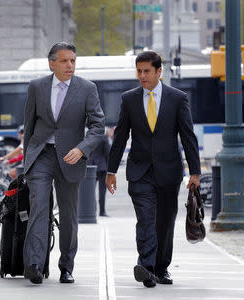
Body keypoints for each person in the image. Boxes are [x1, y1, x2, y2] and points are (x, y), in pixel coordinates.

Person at [106, 51, 201, 288]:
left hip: (169, 171)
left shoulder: (177, 98)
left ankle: (162, 268)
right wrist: (111, 170)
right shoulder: (129, 99)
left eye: (147, 71)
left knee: (165, 221)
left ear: (159, 71)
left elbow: (188, 137)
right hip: (140, 172)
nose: (142, 76)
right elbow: (120, 137)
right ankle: (146, 267)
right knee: (146, 220)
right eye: (139, 71)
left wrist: (195, 172)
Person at [23, 42, 105, 285]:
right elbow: (29, 125)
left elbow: (98, 126)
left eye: (73, 61)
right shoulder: (36, 87)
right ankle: (34, 265)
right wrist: (28, 160)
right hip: (41, 155)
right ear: (52, 63)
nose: (70, 65)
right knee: (38, 207)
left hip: (71, 157)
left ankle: (66, 266)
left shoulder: (87, 89)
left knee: (69, 215)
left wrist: (82, 149)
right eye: (64, 61)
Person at [87, 127, 111, 216]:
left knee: (90, 191)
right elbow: (108, 152)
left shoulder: (88, 137)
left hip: (90, 166)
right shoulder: (103, 137)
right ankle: (102, 211)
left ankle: (92, 210)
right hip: (102, 166)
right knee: (102, 191)